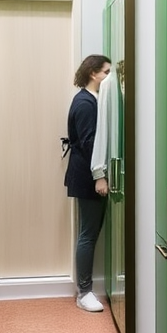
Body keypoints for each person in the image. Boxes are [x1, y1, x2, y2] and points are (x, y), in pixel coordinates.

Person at [64, 54, 110, 311]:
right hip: (87, 177)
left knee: (90, 233)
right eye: (105, 72)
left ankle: (85, 290)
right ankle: (84, 292)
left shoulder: (92, 100)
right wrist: (100, 176)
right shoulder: (84, 103)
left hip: (89, 175)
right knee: (88, 235)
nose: (108, 77)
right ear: (93, 73)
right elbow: (89, 142)